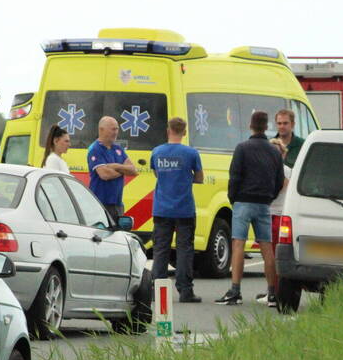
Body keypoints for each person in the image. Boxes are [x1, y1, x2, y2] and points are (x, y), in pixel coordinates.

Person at [216, 111, 284, 306]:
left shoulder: (242, 148)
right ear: (267, 126)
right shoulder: (274, 151)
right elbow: (279, 180)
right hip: (264, 204)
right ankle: (272, 292)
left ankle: (235, 291)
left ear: (250, 126)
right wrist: (269, 197)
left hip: (243, 201)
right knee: (266, 247)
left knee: (238, 244)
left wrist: (233, 198)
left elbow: (235, 176)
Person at [150, 117, 204, 303]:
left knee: (160, 250)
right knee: (184, 250)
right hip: (184, 209)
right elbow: (199, 178)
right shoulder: (191, 153)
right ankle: (185, 291)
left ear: (168, 130)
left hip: (162, 209)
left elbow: (156, 173)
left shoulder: (157, 152)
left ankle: (157, 290)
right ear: (185, 132)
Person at [256, 137, 290, 304]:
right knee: (270, 256)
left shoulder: (285, 171)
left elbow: (280, 188)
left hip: (276, 214)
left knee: (273, 256)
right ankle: (272, 290)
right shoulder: (281, 170)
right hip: (270, 214)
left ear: (283, 154)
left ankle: (276, 292)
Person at [87, 116, 138, 223]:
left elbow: (133, 170)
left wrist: (116, 166)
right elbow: (105, 174)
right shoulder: (95, 149)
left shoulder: (118, 149)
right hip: (100, 204)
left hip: (117, 204)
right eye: (112, 129)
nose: (115, 132)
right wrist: (123, 170)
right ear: (101, 130)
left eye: (117, 129)